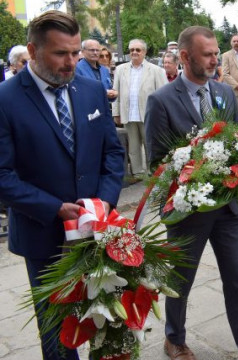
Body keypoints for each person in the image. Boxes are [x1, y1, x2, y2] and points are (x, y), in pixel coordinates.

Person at [0, 10, 124, 360]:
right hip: (44, 237)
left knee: (108, 317)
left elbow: (112, 153)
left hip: (99, 231)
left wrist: (102, 204)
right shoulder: (5, 100)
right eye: (60, 53)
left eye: (75, 53)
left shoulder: (91, 89)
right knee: (57, 333)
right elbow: (2, 175)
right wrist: (54, 208)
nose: (71, 62)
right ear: (33, 51)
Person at [145, 26, 238, 360]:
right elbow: (156, 161)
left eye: (216, 53)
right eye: (208, 55)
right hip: (188, 212)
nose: (215, 60)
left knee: (237, 280)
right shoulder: (161, 101)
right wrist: (192, 169)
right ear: (185, 57)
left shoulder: (224, 94)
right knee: (180, 281)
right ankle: (174, 339)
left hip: (228, 210)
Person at [112, 38, 167, 179]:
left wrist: (162, 116)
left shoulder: (156, 70)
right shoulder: (120, 69)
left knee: (151, 145)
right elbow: (116, 92)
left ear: (144, 52)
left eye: (138, 50)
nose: (134, 52)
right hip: (129, 114)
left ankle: (153, 171)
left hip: (149, 115)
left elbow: (164, 95)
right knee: (133, 147)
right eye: (131, 50)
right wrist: (116, 113)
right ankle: (137, 172)